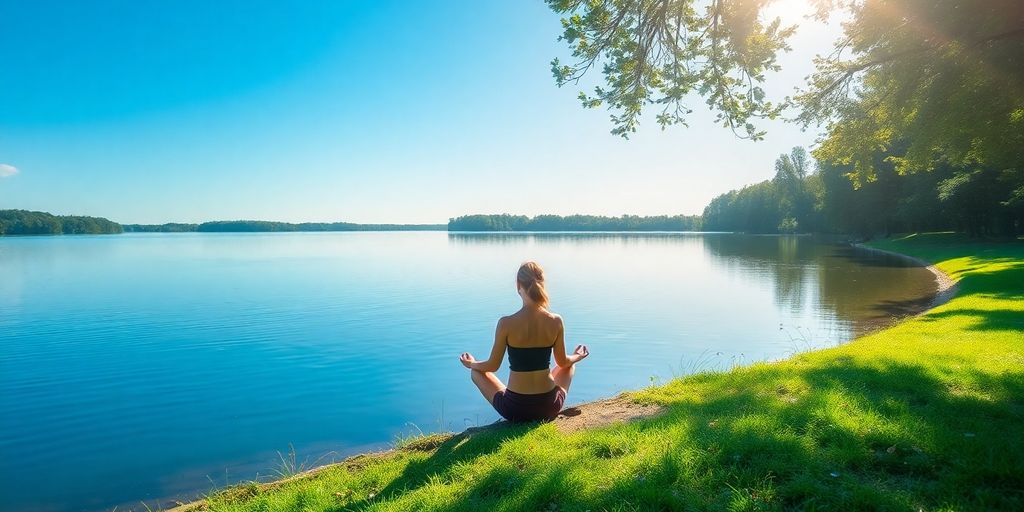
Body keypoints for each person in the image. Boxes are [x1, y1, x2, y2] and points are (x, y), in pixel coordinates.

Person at [459, 261, 590, 422]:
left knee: (476, 372)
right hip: (549, 406)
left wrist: (471, 363)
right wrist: (578, 356)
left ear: (518, 286)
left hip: (515, 409)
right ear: (542, 285)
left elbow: (492, 366)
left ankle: (510, 391)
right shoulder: (556, 321)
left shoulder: (506, 323)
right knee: (570, 366)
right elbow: (562, 362)